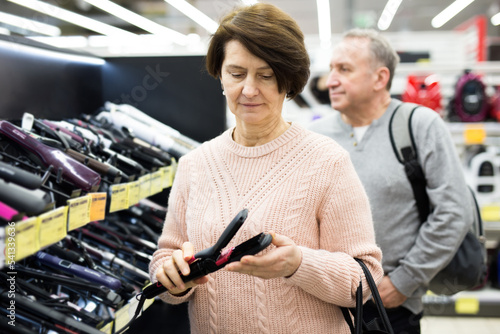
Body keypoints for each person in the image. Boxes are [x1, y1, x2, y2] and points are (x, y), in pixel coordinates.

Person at [149, 4, 383, 334]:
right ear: (220, 75)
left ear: (288, 80)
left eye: (265, 75)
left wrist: (299, 264)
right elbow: (168, 255)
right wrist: (172, 279)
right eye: (236, 73)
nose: (248, 89)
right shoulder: (194, 165)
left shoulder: (326, 161)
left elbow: (364, 278)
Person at [309, 28, 473, 333]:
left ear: (380, 78)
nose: (330, 80)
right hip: (325, 307)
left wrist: (404, 281)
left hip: (391, 305)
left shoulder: (419, 125)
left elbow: (453, 211)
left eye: (344, 69)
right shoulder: (317, 135)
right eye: (332, 69)